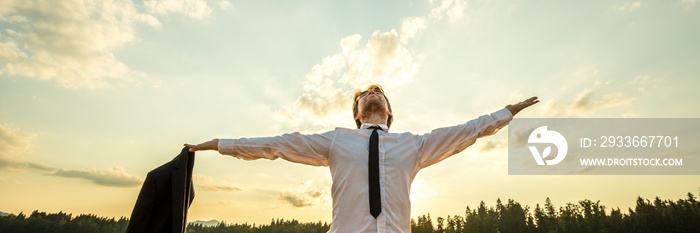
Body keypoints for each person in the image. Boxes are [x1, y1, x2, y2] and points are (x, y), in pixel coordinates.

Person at [185, 84, 538, 233]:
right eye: (365, 94)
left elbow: (465, 132)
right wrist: (218, 144)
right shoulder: (335, 141)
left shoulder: (412, 145)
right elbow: (276, 144)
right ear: (357, 113)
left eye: (379, 92)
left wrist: (506, 112)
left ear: (389, 112)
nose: (372, 94)